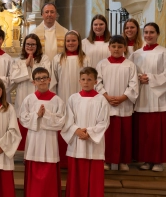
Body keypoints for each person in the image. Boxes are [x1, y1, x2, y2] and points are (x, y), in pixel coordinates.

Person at [61, 67, 109, 197]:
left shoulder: (101, 100)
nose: (86, 82)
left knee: (94, 178)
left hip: (94, 144)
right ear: (79, 81)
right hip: (77, 142)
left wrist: (88, 133)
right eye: (83, 79)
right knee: (76, 177)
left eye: (89, 79)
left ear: (95, 81)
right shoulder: (73, 98)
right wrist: (76, 130)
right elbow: (67, 119)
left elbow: (104, 121)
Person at [19, 67, 65, 197]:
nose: (42, 81)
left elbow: (61, 121)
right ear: (34, 82)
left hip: (50, 141)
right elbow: (23, 119)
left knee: (49, 173)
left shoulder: (57, 100)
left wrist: (47, 115)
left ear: (49, 80)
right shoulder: (29, 99)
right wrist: (37, 115)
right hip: (34, 141)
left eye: (44, 78)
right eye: (38, 79)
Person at [95, 35, 138, 171]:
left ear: (125, 48)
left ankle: (123, 161)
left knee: (124, 134)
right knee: (107, 134)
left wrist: (123, 98)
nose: (117, 49)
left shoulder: (130, 65)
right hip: (106, 104)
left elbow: (134, 85)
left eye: (120, 46)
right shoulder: (102, 64)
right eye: (114, 46)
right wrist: (106, 96)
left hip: (124, 104)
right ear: (109, 48)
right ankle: (106, 160)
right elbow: (97, 83)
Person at [49, 30, 91, 168]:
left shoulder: (85, 59)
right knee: (64, 126)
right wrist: (54, 99)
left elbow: (89, 79)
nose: (71, 43)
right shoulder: (58, 59)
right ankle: (63, 159)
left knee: (78, 124)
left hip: (81, 99)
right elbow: (53, 80)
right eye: (68, 41)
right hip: (63, 97)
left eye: (74, 40)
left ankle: (77, 159)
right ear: (64, 43)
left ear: (78, 42)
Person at [129, 22, 166, 172]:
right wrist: (138, 77)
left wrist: (149, 77)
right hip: (143, 95)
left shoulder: (163, 52)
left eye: (152, 32)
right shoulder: (136, 54)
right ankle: (145, 159)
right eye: (146, 32)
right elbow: (129, 72)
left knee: (157, 131)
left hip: (158, 97)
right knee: (144, 131)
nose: (148, 35)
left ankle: (158, 161)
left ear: (157, 34)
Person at [10, 33, 50, 150]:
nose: (30, 46)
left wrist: (32, 67)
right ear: (24, 45)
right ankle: (24, 152)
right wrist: (25, 66)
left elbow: (46, 76)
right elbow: (14, 78)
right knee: (24, 119)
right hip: (23, 94)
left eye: (33, 44)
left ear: (37, 46)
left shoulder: (44, 59)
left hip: (38, 94)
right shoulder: (18, 61)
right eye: (28, 44)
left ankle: (36, 150)